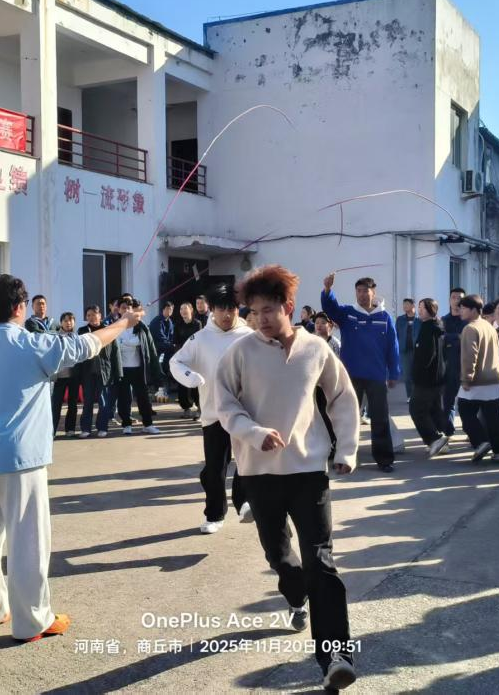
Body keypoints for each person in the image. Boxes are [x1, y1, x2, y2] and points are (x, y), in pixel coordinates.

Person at [0, 273, 145, 641]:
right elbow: (88, 344)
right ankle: (32, 620)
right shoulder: (31, 344)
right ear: (20, 308)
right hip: (20, 461)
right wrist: (125, 323)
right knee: (28, 542)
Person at [212, 264, 359, 691]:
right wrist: (253, 433)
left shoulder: (316, 349)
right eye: (254, 311)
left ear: (288, 308)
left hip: (308, 471)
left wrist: (346, 450)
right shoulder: (239, 352)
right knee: (280, 556)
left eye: (268, 310)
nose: (260, 319)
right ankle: (296, 595)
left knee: (321, 561)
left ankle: (335, 656)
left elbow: (342, 397)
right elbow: (224, 404)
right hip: (259, 474)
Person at [170, 284, 255, 533]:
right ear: (212, 310)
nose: (227, 315)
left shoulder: (249, 336)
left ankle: (244, 503)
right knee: (216, 467)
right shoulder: (200, 339)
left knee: (247, 461)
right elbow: (176, 361)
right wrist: (190, 377)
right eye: (221, 309)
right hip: (213, 412)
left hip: (245, 412)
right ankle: (214, 514)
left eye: (231, 309)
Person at [320, 274, 400, 473]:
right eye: (359, 291)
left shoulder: (384, 317)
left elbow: (393, 347)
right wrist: (328, 290)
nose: (362, 294)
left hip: (377, 375)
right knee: (347, 417)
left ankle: (384, 459)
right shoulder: (348, 314)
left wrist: (393, 373)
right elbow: (330, 308)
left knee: (380, 418)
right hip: (351, 375)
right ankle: (344, 458)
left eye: (366, 290)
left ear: (374, 292)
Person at [457, 294, 499, 463]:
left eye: (463, 308)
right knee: (493, 417)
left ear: (473, 310)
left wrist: (466, 378)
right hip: (493, 379)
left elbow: (470, 356)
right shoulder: (489, 326)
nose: (460, 310)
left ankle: (481, 442)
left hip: (476, 381)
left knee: (465, 412)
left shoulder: (470, 328)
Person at [407, 298, 451, 457]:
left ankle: (434, 438)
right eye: (419, 307)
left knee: (416, 409)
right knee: (434, 410)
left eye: (423, 308)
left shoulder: (428, 328)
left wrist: (416, 373)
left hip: (426, 379)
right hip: (437, 377)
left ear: (432, 310)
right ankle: (443, 441)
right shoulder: (437, 326)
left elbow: (427, 355)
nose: (419, 311)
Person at [115, 298, 161, 435]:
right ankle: (126, 425)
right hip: (122, 369)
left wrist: (125, 342)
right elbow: (117, 345)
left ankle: (148, 424)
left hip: (139, 368)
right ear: (119, 310)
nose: (126, 310)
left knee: (143, 398)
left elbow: (148, 346)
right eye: (123, 308)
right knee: (124, 399)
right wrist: (131, 342)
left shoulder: (140, 326)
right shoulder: (115, 326)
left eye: (129, 308)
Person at [77, 305, 119, 438]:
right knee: (88, 401)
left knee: (103, 402)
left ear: (100, 316)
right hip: (87, 372)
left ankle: (102, 427)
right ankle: (86, 429)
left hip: (104, 371)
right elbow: (78, 353)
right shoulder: (82, 331)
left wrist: (118, 372)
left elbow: (115, 352)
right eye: (88, 315)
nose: (91, 317)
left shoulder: (108, 330)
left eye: (94, 314)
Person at [441, 287, 466, 437]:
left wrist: (449, 338)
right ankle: (448, 432)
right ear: (449, 300)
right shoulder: (444, 320)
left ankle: (469, 430)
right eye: (454, 297)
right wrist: (457, 337)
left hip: (466, 367)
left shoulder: (467, 321)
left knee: (466, 403)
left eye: (460, 298)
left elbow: (466, 339)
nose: (456, 301)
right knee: (448, 402)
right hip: (449, 366)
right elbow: (441, 339)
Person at [51, 312, 81, 437]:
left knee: (72, 404)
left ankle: (70, 429)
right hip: (59, 377)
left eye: (71, 320)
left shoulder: (77, 337)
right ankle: (52, 431)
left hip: (74, 376)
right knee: (56, 405)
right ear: (61, 323)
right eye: (65, 320)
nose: (68, 323)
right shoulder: (55, 337)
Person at [173, 302, 202, 418]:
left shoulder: (197, 324)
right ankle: (186, 408)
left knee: (196, 382)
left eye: (185, 308)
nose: (183, 311)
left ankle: (200, 407)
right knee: (183, 383)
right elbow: (176, 342)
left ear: (191, 310)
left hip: (195, 357)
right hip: (182, 357)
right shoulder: (177, 325)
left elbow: (199, 341)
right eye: (181, 309)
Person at [149, 302, 175, 402]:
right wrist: (171, 345)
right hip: (157, 350)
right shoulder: (157, 321)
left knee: (166, 370)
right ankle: (157, 392)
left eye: (171, 309)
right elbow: (160, 337)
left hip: (166, 350)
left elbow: (171, 336)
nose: (169, 311)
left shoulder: (170, 321)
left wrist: (172, 345)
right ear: (163, 310)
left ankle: (164, 392)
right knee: (159, 372)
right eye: (168, 309)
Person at [395, 298, 419, 402]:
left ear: (413, 306)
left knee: (417, 374)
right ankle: (410, 396)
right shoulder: (400, 319)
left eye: (407, 304)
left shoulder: (419, 319)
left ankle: (417, 395)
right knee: (407, 375)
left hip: (418, 350)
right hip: (404, 350)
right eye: (404, 304)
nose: (404, 306)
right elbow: (396, 334)